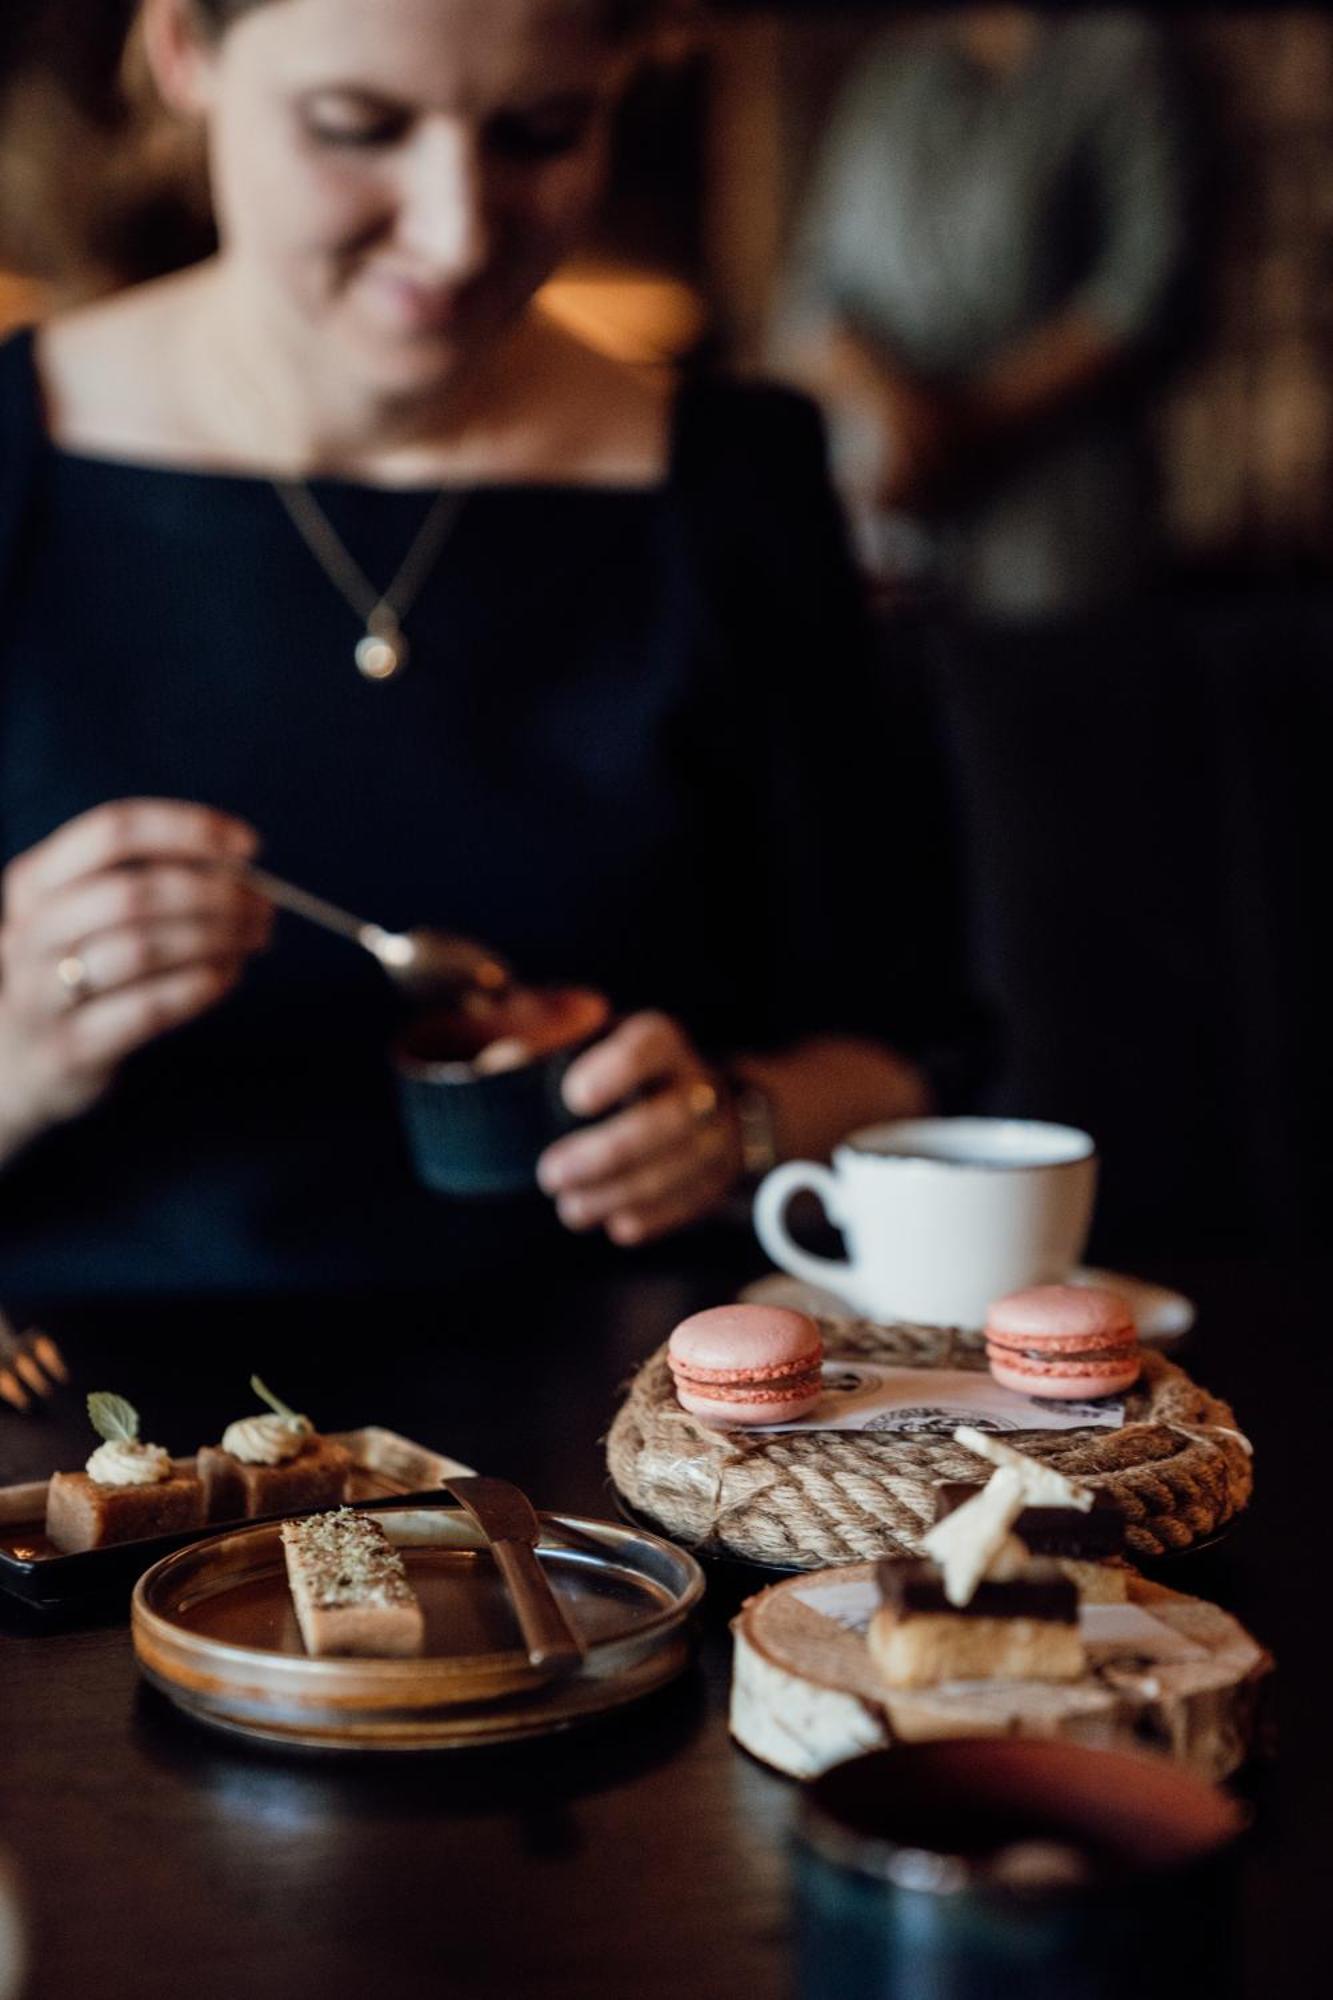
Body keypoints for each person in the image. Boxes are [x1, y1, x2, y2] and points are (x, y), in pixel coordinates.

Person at [0, 0, 976, 1297]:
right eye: (359, 127)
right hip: (101, 1446)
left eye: (539, 131)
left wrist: (730, 1124)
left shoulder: (735, 485)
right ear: (185, 49)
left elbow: (915, 1049)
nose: (457, 233)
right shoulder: (18, 463)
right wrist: (15, 1046)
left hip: (621, 1442)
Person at [770, 7, 1193, 621]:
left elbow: (1146, 293)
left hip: (1056, 537)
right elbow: (807, 299)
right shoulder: (892, 73)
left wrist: (960, 428)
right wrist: (892, 413)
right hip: (883, 521)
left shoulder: (1124, 57)